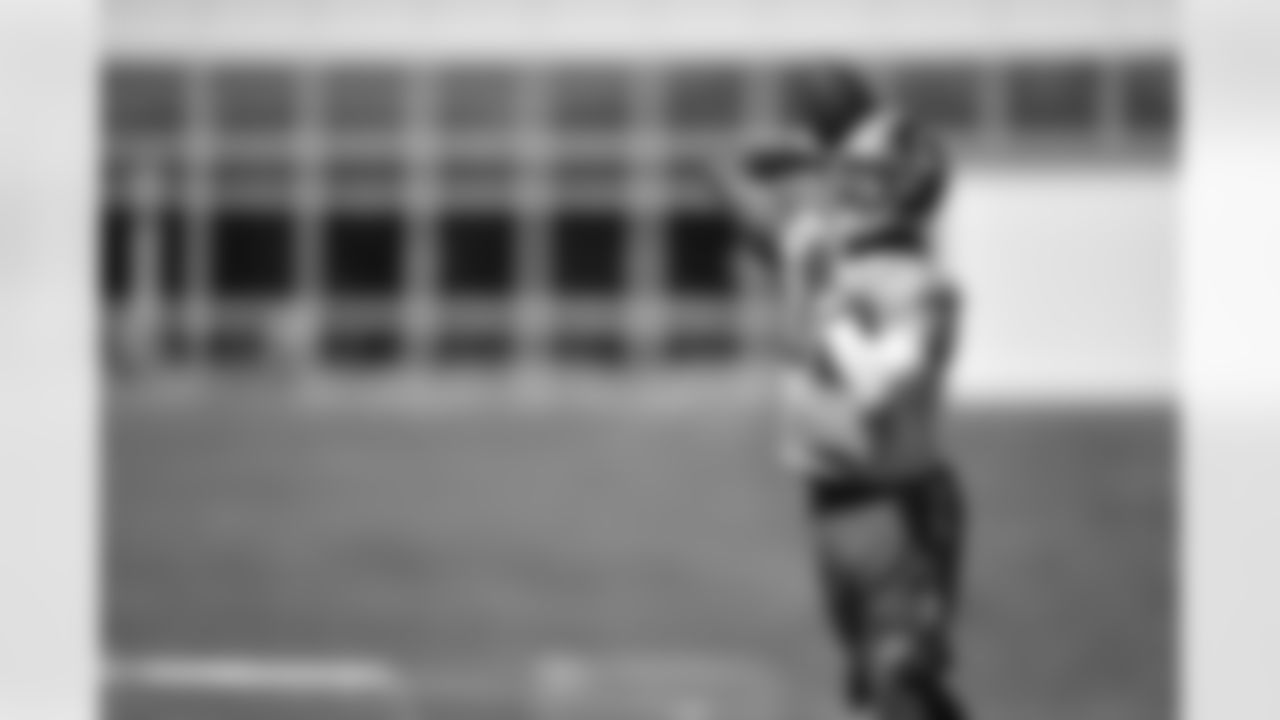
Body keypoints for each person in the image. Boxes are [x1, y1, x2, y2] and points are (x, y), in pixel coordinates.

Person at [713, 67, 968, 720]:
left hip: (899, 513)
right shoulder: (814, 245)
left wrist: (831, 314)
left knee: (901, 687)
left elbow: (879, 388)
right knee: (882, 694)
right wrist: (813, 149)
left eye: (864, 176)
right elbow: (727, 172)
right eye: (848, 172)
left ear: (895, 191)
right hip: (832, 509)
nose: (844, 186)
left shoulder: (923, 289)